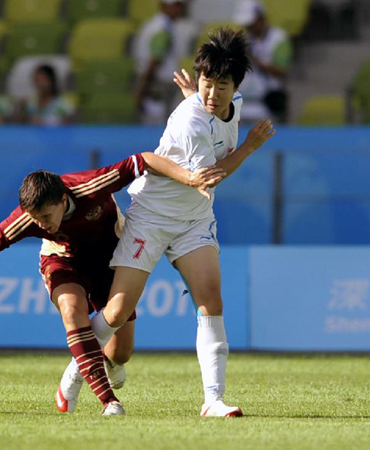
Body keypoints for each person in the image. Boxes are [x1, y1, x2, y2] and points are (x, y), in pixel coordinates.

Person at [0, 153, 225, 416]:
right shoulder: (27, 218)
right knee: (72, 310)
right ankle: (108, 401)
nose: (41, 224)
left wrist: (188, 178)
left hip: (109, 258)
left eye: (46, 216)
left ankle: (92, 362)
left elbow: (142, 160)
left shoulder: (91, 186)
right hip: (62, 260)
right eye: (35, 219)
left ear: (63, 199)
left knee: (122, 351)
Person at [85, 28, 275, 418]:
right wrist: (250, 147)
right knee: (118, 312)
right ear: (199, 77)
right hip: (152, 215)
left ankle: (213, 400)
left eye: (222, 84)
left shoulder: (228, 105)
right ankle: (75, 372)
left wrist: (195, 96)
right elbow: (212, 174)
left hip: (193, 219)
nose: (213, 93)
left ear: (236, 86)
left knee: (211, 300)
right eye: (207, 83)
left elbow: (212, 119)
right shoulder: (191, 120)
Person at [133, 0, 198, 124]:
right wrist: (142, 88)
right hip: (159, 83)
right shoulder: (162, 29)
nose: (179, 9)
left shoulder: (154, 25)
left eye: (180, 6)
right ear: (164, 6)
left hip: (158, 80)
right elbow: (155, 60)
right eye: (176, 6)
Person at [233, 0, 293, 123]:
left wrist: (254, 59)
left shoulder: (279, 39)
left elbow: (282, 71)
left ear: (261, 18)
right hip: (243, 103)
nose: (248, 28)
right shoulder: (246, 39)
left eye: (251, 24)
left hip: (267, 104)